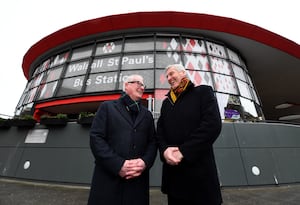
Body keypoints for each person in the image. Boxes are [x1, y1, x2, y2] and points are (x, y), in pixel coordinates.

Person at [156, 64, 223, 205]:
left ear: (183, 73)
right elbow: (160, 131)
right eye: (167, 76)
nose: (169, 78)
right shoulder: (166, 103)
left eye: (172, 74)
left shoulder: (203, 92)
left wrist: (184, 151)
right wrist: (164, 151)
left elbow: (212, 125)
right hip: (173, 178)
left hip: (200, 179)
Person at [87, 74, 157, 205]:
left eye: (143, 85)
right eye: (138, 83)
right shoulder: (107, 107)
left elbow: (152, 142)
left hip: (137, 184)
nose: (142, 87)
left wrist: (145, 162)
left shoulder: (147, 114)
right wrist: (118, 165)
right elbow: (96, 138)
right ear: (126, 86)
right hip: (108, 181)